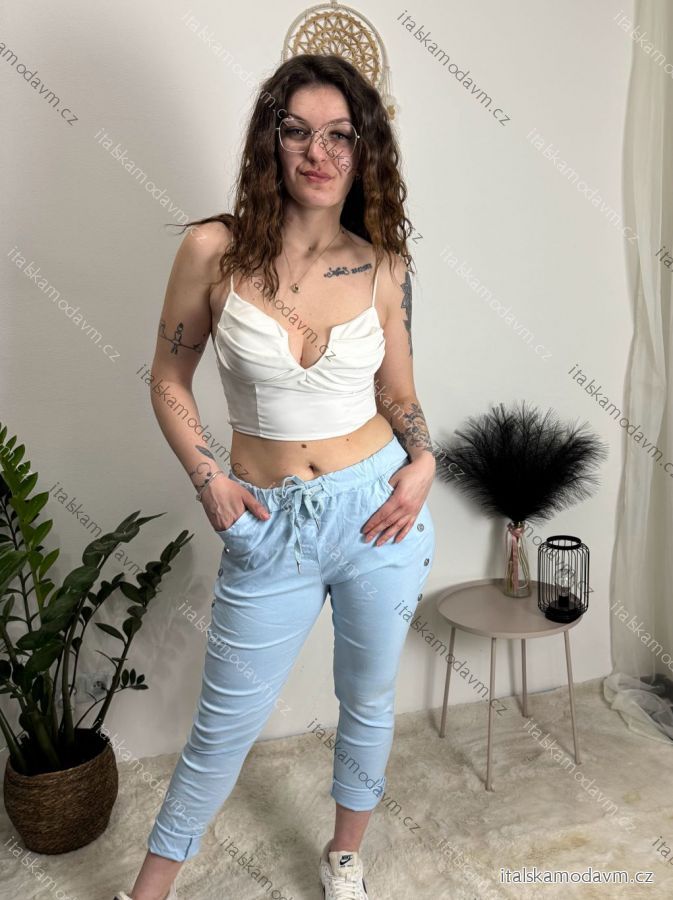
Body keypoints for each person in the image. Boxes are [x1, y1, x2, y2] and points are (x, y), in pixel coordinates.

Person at [115, 53, 436, 900]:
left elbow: (398, 393)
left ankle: (343, 858)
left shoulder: (382, 265)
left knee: (367, 698)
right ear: (271, 142)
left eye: (340, 135)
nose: (318, 153)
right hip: (269, 523)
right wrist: (208, 478)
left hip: (379, 511)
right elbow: (167, 377)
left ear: (365, 150)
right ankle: (148, 893)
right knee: (223, 726)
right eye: (297, 132)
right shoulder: (213, 250)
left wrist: (424, 461)